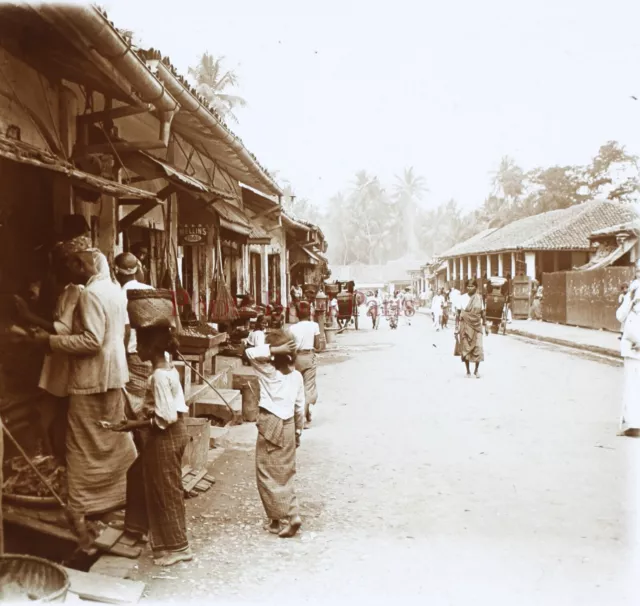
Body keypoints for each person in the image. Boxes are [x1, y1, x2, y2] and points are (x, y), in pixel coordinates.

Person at [31, 241, 136, 539]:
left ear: (82, 265)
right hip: (114, 374)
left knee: (80, 444)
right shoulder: (114, 290)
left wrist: (48, 342)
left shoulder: (89, 294)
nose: (68, 272)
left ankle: (81, 506)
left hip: (92, 379)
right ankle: (119, 495)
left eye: (71, 266)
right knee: (112, 439)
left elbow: (90, 341)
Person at [99, 323, 192, 566]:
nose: (136, 348)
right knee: (137, 474)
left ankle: (178, 546)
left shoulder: (160, 376)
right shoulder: (166, 370)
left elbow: (166, 417)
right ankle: (138, 527)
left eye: (139, 344)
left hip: (167, 436)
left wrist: (130, 425)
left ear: (152, 347)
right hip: (169, 433)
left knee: (166, 490)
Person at [244, 331, 304, 538]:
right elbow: (299, 408)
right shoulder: (297, 376)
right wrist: (298, 432)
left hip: (270, 421)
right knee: (286, 471)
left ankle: (284, 517)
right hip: (289, 424)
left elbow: (250, 353)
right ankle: (285, 516)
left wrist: (273, 350)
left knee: (266, 472)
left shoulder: (269, 372)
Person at [114, 252, 155, 419]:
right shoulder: (150, 290)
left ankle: (140, 440)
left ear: (116, 272)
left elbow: (126, 330)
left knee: (135, 406)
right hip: (153, 354)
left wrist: (120, 359)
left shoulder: (120, 295)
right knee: (149, 402)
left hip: (134, 356)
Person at [616, 267, 640, 437]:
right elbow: (620, 316)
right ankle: (632, 423)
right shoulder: (631, 294)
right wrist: (629, 299)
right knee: (632, 385)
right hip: (631, 348)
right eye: (637, 272)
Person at [289, 302, 320, 429]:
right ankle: (302, 420)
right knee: (308, 388)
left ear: (296, 313)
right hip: (309, 358)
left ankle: (305, 415)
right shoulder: (314, 326)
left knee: (297, 388)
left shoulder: (291, 328)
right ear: (310, 313)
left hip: (296, 358)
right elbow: (318, 345)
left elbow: (289, 346)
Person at [455, 279, 488, 378]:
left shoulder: (479, 298)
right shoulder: (461, 298)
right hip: (464, 325)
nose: (470, 288)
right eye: (468, 286)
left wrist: (486, 326)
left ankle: (476, 370)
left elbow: (483, 313)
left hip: (477, 326)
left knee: (478, 347)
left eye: (472, 286)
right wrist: (456, 327)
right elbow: (458, 313)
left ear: (476, 287)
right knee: (466, 347)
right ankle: (468, 371)